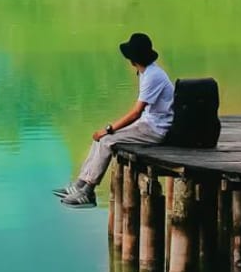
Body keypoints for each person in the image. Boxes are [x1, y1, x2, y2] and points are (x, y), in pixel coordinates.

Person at [55, 33, 174, 208]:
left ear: (133, 58)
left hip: (156, 129)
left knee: (107, 140)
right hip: (148, 124)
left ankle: (88, 192)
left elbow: (136, 113)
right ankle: (80, 184)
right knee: (100, 138)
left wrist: (109, 128)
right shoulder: (146, 72)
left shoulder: (153, 76)